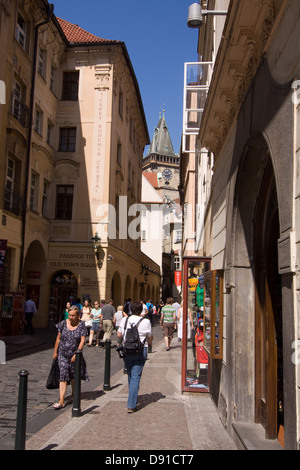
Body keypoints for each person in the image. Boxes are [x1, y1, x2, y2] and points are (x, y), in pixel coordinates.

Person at [117, 300, 153, 413]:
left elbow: (119, 334)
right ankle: (131, 405)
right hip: (140, 350)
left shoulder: (125, 319)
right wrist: (150, 343)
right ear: (141, 310)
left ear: (131, 309)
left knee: (130, 374)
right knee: (136, 376)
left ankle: (132, 396)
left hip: (127, 350)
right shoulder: (146, 321)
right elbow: (150, 336)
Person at [52, 305, 88, 409]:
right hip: (62, 353)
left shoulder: (81, 325)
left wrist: (78, 352)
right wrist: (55, 352)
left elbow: (82, 340)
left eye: (73, 315)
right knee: (63, 375)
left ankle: (73, 393)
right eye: (69, 315)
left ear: (78, 316)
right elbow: (58, 338)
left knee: (73, 375)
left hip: (74, 355)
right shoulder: (63, 324)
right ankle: (61, 400)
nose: (70, 317)